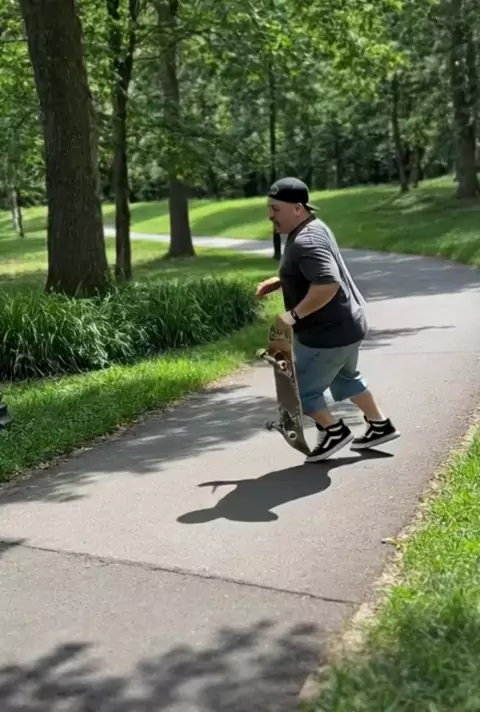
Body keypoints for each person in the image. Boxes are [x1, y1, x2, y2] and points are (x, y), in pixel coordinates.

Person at [256, 176, 400, 463]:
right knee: (346, 379)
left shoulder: (306, 240)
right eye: (269, 207)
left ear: (297, 208)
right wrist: (282, 280)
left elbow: (327, 283)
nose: (270, 215)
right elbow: (316, 271)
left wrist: (292, 315)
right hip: (348, 325)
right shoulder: (314, 227)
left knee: (300, 393)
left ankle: (334, 431)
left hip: (327, 335)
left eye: (276, 208)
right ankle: (380, 425)